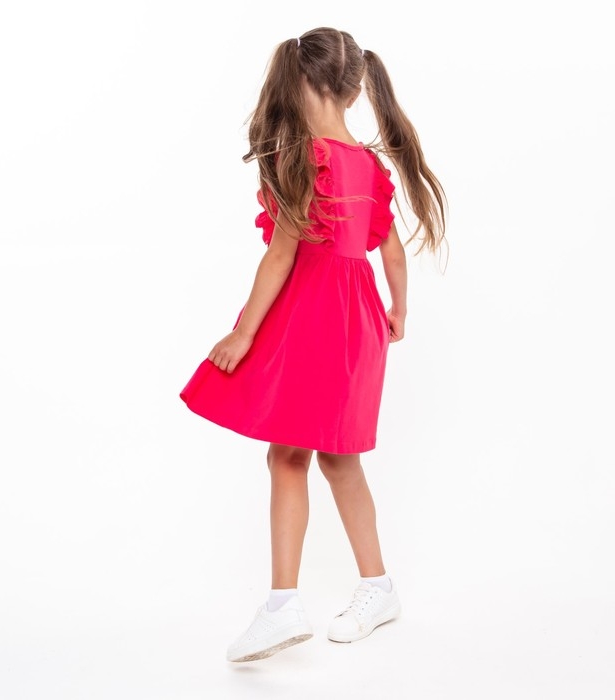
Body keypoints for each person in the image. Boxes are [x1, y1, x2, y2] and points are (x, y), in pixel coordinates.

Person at [180, 26, 446, 663]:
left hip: (314, 318)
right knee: (337, 458)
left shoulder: (302, 158)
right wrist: (398, 311)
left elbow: (280, 255)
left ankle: (282, 605)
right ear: (354, 90)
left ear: (299, 83)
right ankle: (377, 587)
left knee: (288, 456)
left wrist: (244, 331)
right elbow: (391, 253)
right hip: (359, 322)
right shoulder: (371, 167)